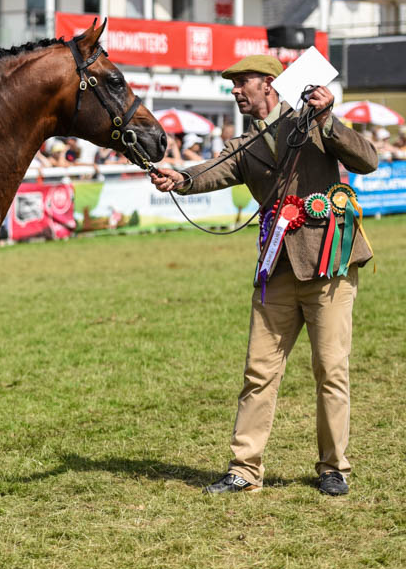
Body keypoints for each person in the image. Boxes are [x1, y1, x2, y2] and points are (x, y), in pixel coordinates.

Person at [150, 54, 378, 497]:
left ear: (270, 84)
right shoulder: (243, 144)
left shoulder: (313, 120)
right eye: (232, 83)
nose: (234, 90)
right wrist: (179, 177)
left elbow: (367, 159)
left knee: (331, 370)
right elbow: (210, 172)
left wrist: (329, 117)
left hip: (328, 265)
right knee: (258, 372)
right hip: (277, 270)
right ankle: (244, 469)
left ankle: (334, 467)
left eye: (241, 82)